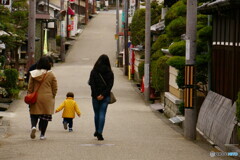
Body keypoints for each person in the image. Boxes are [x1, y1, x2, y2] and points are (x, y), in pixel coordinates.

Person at [27, 56, 58, 140]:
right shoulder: (51, 74)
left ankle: (33, 126)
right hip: (47, 98)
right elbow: (55, 87)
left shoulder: (33, 73)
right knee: (45, 117)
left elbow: (30, 87)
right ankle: (42, 134)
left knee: (34, 113)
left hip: (35, 97)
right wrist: (52, 96)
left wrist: (29, 95)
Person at [88, 54, 114, 141]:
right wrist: (103, 94)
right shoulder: (110, 73)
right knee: (102, 113)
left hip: (95, 96)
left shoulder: (94, 71)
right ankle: (100, 132)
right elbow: (110, 86)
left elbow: (92, 84)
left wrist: (96, 95)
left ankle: (96, 130)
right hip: (105, 96)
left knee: (96, 113)